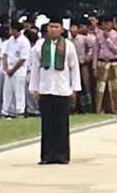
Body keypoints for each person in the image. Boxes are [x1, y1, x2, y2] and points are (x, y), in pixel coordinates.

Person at [29, 18, 81, 164]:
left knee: (61, 124)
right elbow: (35, 68)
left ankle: (62, 155)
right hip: (45, 88)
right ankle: (47, 156)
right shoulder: (40, 45)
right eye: (51, 27)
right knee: (47, 124)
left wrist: (74, 88)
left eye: (56, 27)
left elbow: (74, 68)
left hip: (62, 89)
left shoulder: (68, 45)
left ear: (62, 29)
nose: (53, 29)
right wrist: (34, 88)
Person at [93, 15, 117, 114]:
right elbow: (96, 52)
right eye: (104, 24)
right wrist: (94, 67)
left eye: (108, 23)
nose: (106, 26)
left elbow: (116, 50)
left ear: (112, 23)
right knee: (100, 88)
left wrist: (108, 39)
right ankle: (99, 108)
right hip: (101, 62)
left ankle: (116, 108)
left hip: (113, 62)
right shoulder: (98, 35)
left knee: (114, 86)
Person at [1, 21, 31, 118]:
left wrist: (13, 70)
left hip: (19, 70)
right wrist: (5, 67)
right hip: (9, 68)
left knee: (19, 91)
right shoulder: (10, 40)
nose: (10, 31)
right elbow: (5, 54)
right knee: (7, 91)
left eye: (11, 29)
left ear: (16, 30)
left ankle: (20, 111)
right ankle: (6, 110)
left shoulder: (24, 41)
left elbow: (22, 59)